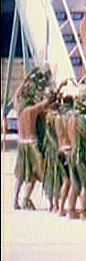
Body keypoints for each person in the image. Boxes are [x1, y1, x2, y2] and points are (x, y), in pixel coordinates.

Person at [13, 72, 53, 209]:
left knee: (20, 174)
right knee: (39, 172)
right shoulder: (31, 111)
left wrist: (24, 81)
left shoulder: (19, 110)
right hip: (32, 145)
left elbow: (15, 95)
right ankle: (50, 202)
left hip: (21, 144)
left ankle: (15, 200)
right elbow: (47, 102)